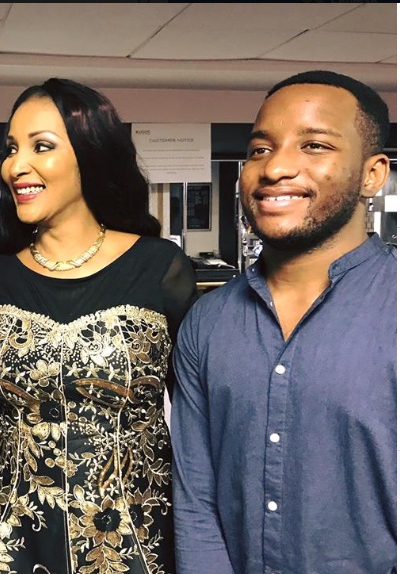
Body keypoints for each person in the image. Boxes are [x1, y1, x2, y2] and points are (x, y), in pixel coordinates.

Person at [0, 77, 199, 574]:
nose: (16, 165)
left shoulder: (157, 267)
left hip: (134, 534)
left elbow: (198, 412)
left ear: (90, 155)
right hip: (11, 534)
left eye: (41, 146)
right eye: (11, 149)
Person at [170, 70, 396, 574]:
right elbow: (196, 503)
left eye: (314, 145)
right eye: (259, 149)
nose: (275, 167)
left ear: (372, 174)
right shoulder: (207, 322)